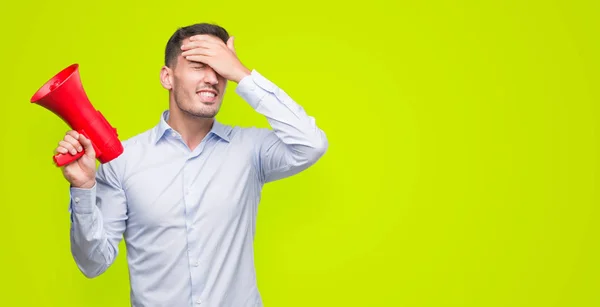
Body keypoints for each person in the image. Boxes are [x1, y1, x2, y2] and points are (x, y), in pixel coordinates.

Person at [55, 23, 328, 307]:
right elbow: (93, 263)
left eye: (220, 68)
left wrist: (242, 74)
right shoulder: (123, 161)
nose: (213, 78)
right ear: (167, 77)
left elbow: (311, 144)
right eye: (199, 65)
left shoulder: (250, 150)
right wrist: (84, 189)